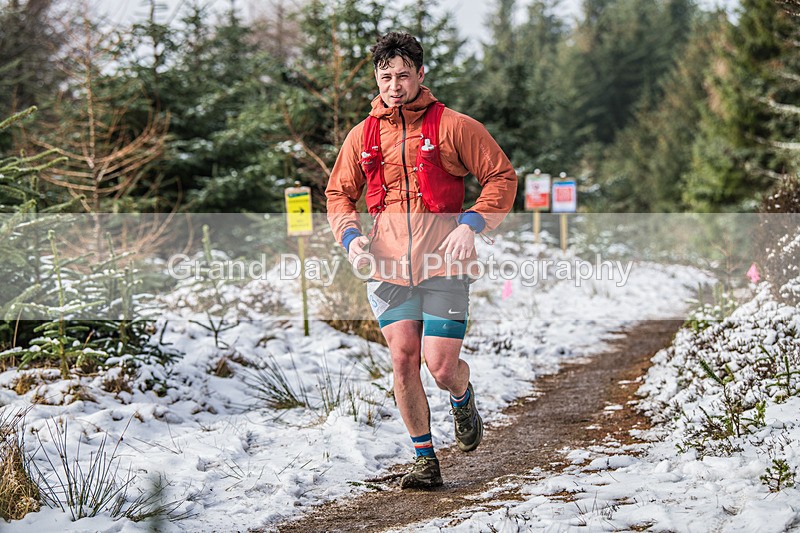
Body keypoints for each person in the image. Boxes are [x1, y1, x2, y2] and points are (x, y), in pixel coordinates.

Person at [325, 32, 516, 489]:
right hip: (387, 266)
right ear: (377, 77)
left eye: (403, 75)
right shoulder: (363, 135)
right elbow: (338, 194)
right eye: (385, 76)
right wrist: (350, 237)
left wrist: (471, 225)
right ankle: (424, 461)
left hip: (444, 265)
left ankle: (462, 396)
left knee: (441, 365)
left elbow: (501, 177)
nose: (393, 85)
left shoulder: (453, 126)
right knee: (403, 358)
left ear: (421, 75)